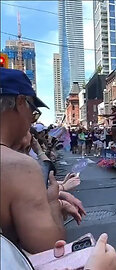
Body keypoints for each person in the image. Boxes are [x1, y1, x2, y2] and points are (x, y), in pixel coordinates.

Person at [0, 68, 65, 253]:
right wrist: (53, 202)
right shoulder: (18, 167)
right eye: (33, 111)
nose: (31, 119)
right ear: (20, 102)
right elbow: (51, 250)